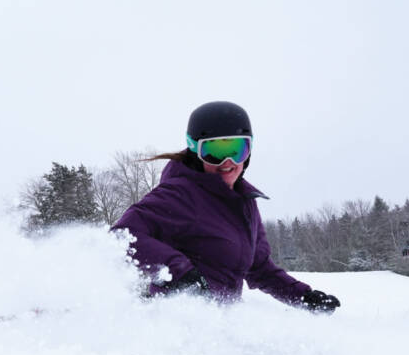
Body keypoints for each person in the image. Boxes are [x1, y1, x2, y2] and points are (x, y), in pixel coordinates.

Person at [111, 101, 340, 313]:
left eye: (237, 150)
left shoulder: (245, 204)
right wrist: (178, 271)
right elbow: (122, 235)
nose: (227, 162)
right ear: (195, 151)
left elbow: (259, 268)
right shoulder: (181, 194)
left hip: (221, 329)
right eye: (215, 152)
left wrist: (305, 297)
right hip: (177, 327)